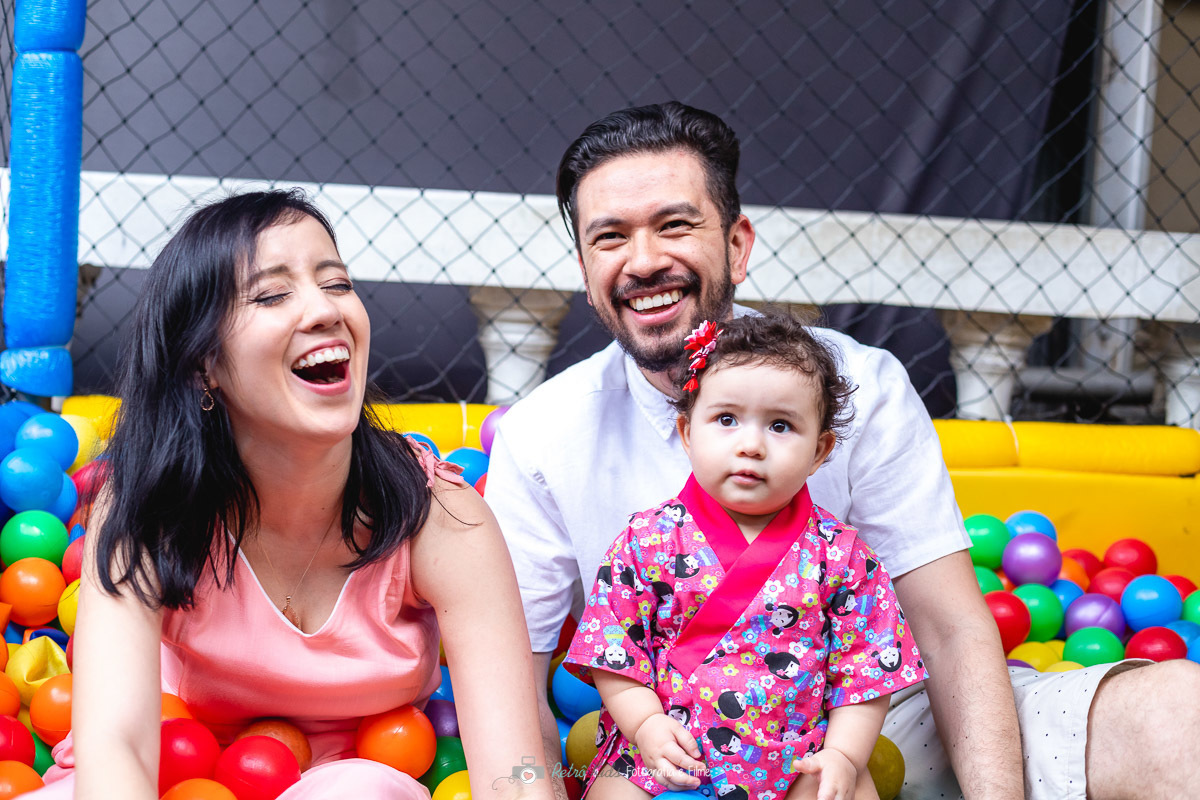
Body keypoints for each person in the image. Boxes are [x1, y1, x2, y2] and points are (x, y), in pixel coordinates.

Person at [484, 102, 1200, 800]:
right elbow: (509, 686)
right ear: (583, 267)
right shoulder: (544, 434)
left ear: (736, 244)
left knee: (1178, 713)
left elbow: (948, 630)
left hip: (884, 724)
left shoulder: (860, 385)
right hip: (668, 745)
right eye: (610, 237)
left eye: (675, 225)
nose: (644, 261)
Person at [34, 191, 553, 800]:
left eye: (336, 284)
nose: (325, 311)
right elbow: (116, 748)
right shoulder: (152, 505)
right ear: (205, 363)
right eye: (273, 294)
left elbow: (514, 778)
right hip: (169, 776)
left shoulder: (440, 516)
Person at [564, 313, 925, 800]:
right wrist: (645, 722)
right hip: (668, 751)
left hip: (796, 758)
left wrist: (842, 755)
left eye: (780, 425)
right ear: (688, 433)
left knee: (850, 788)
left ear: (820, 451)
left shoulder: (843, 557)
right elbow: (613, 653)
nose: (751, 445)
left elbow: (866, 673)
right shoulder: (645, 539)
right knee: (615, 789)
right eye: (727, 420)